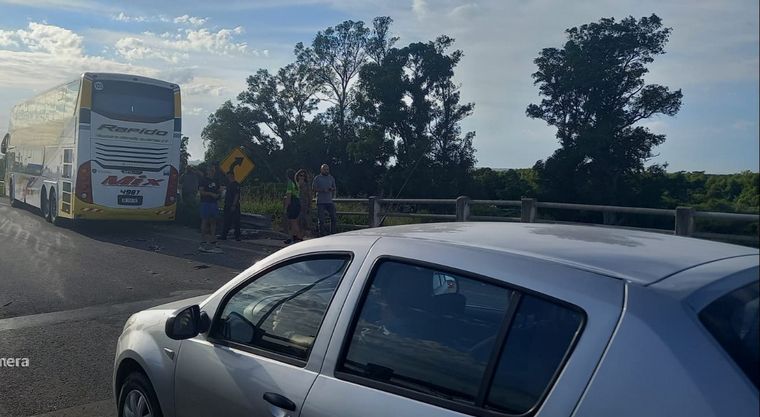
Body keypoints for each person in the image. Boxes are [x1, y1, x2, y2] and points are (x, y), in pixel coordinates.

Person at [198, 164, 223, 253]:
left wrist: (219, 193)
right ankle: (203, 239)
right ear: (207, 171)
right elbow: (201, 192)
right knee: (205, 220)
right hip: (205, 202)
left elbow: (218, 190)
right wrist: (210, 194)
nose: (212, 171)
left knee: (213, 221)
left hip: (214, 203)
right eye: (210, 170)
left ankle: (213, 238)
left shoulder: (216, 180)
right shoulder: (203, 180)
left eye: (213, 170)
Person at [312, 163, 337, 236]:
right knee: (321, 220)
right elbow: (313, 188)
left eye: (327, 169)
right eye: (325, 169)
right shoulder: (317, 178)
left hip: (329, 201)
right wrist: (322, 190)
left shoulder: (331, 178)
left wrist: (331, 189)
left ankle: (333, 233)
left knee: (334, 218)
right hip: (320, 202)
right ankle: (322, 234)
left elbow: (334, 188)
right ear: (321, 170)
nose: (326, 171)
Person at [219, 171, 241, 241]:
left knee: (236, 221)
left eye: (228, 176)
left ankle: (237, 236)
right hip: (227, 205)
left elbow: (236, 195)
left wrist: (234, 205)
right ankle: (224, 235)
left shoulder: (236, 184)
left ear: (231, 175)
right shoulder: (229, 184)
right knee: (226, 221)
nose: (227, 177)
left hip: (234, 205)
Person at [284, 169, 302, 244]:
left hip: (293, 203)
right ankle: (292, 237)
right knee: (294, 221)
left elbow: (288, 197)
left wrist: (286, 207)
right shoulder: (296, 183)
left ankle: (299, 236)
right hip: (297, 202)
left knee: (293, 222)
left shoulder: (290, 183)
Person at [295, 169, 312, 236]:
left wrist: (310, 204)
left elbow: (309, 195)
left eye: (303, 176)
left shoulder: (307, 184)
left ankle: (302, 235)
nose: (302, 177)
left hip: (304, 204)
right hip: (296, 203)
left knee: (303, 220)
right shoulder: (295, 183)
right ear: (298, 176)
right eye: (301, 175)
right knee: (296, 220)